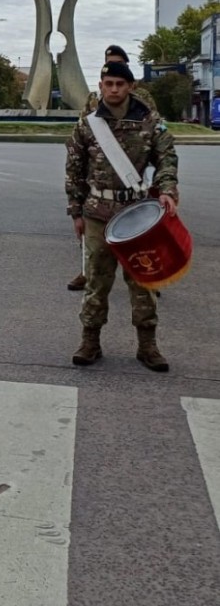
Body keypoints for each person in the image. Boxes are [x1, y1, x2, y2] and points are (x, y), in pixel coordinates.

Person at [65, 60, 179, 372]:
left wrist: (168, 189)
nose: (113, 89)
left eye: (119, 84)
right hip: (97, 214)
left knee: (142, 280)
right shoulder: (88, 125)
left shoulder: (149, 121)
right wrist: (75, 212)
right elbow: (74, 170)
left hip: (137, 216)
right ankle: (90, 341)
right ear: (101, 86)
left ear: (130, 87)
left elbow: (167, 157)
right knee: (96, 282)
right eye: (108, 84)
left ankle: (147, 345)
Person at [68, 43, 158, 291]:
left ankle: (146, 278)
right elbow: (84, 137)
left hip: (132, 178)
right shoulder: (93, 101)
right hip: (100, 176)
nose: (114, 87)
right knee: (95, 244)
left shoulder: (144, 102)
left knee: (140, 253)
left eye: (119, 62)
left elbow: (155, 140)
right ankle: (87, 272)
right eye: (109, 63)